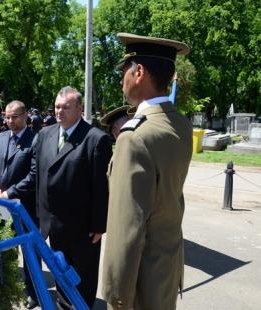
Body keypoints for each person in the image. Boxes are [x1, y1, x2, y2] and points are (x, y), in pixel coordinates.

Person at [101, 33, 193, 310]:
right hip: (166, 270)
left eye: (124, 72)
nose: (121, 80)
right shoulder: (180, 125)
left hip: (140, 285)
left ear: (138, 72)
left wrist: (116, 298)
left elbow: (125, 231)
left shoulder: (134, 137)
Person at [34, 86, 112, 308]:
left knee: (82, 281)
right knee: (60, 275)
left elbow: (101, 187)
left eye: (66, 107)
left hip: (83, 230)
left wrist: (99, 225)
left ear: (79, 109)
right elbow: (40, 176)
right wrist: (42, 217)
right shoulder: (45, 134)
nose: (59, 111)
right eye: (57, 106)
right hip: (53, 226)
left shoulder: (95, 139)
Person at [0, 100, 39, 309]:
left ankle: (33, 292)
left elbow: (34, 174)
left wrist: (10, 192)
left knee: (29, 252)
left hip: (24, 205)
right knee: (1, 246)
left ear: (25, 116)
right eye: (7, 116)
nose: (9, 121)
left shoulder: (35, 140)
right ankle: (4, 286)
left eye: (14, 116)